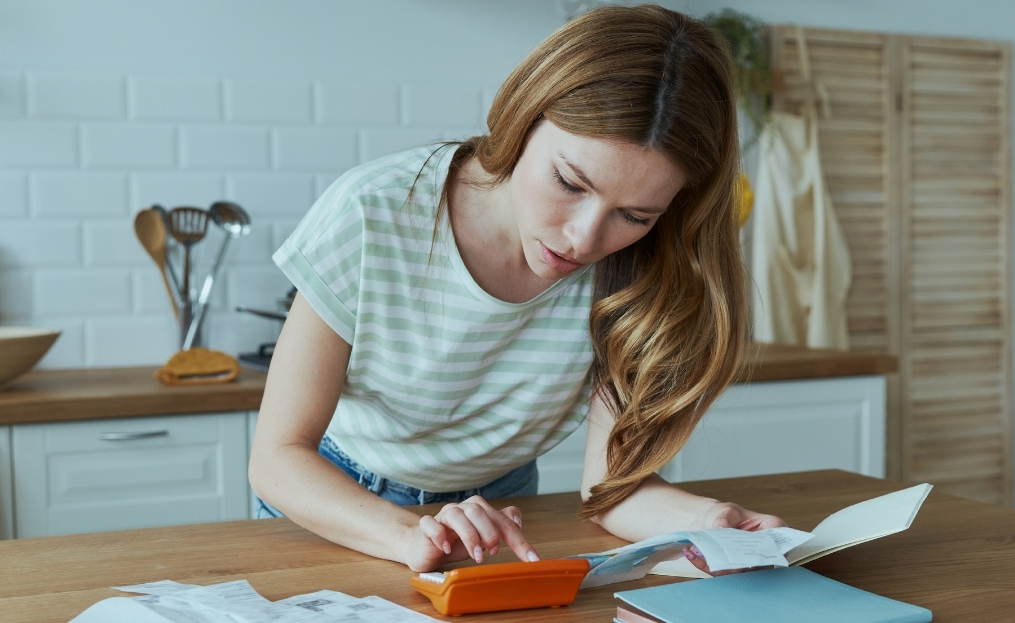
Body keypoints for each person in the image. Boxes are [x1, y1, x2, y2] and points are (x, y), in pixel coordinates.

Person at [248, 4, 785, 574]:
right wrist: (410, 534)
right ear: (525, 116)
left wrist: (706, 521)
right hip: (340, 503)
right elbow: (278, 459)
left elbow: (612, 490)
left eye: (635, 214)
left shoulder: (649, 267)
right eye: (568, 181)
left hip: (502, 511)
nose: (583, 239)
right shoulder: (373, 212)